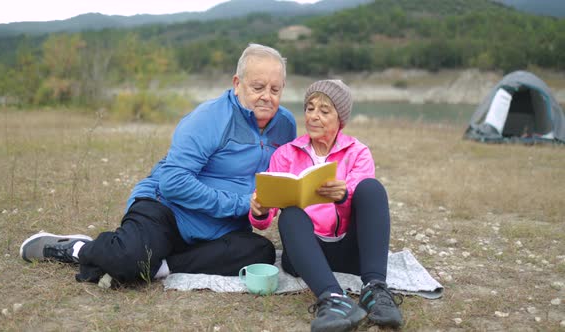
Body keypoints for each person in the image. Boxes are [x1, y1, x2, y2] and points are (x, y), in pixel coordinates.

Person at [20, 43, 297, 285]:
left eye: (275, 89)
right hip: (167, 209)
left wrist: (263, 209)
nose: (267, 96)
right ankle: (76, 248)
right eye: (258, 87)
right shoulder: (209, 118)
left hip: (222, 228)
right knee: (130, 260)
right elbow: (173, 182)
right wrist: (240, 204)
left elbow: (272, 187)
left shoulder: (285, 126)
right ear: (237, 83)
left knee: (261, 253)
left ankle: (159, 266)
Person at [249, 80, 403, 331]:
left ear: (340, 117)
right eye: (310, 108)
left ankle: (375, 290)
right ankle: (333, 299)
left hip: (352, 252)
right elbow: (264, 220)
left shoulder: (358, 152)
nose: (313, 116)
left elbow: (366, 205)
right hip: (307, 254)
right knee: (290, 215)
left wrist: (343, 195)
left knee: (372, 189)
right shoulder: (286, 154)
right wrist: (259, 211)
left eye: (324, 110)